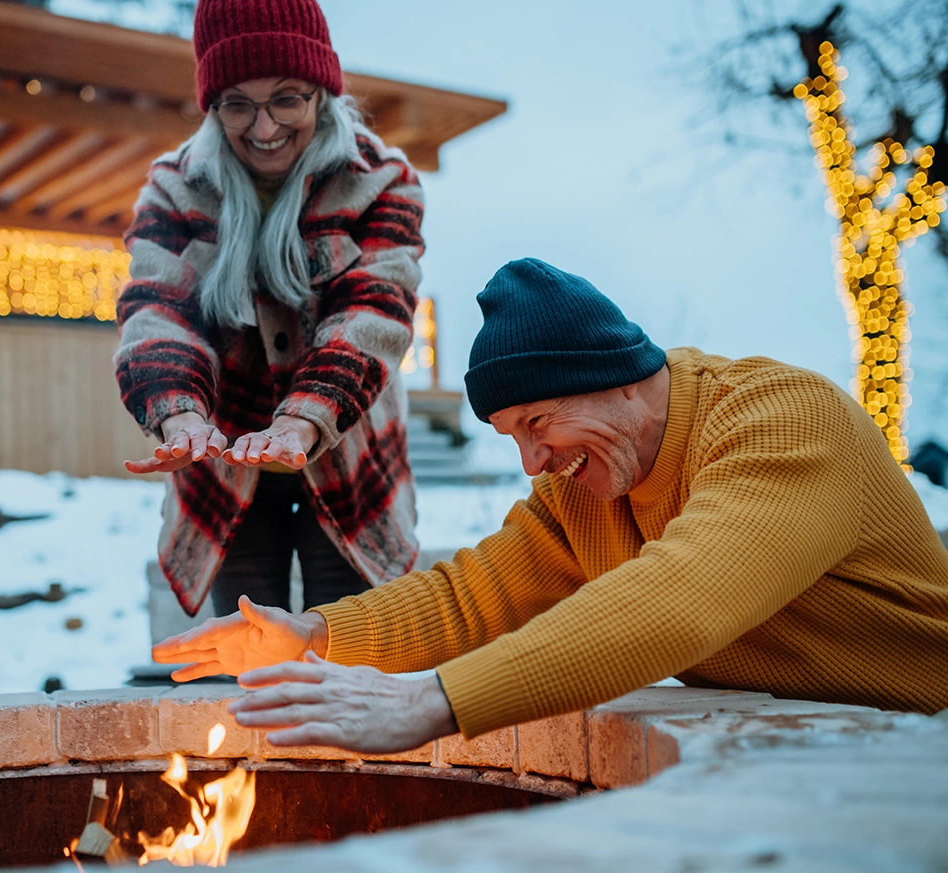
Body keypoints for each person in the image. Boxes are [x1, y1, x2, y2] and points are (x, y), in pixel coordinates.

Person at [153, 258, 948, 754]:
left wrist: (434, 702)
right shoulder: (583, 489)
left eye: (538, 423)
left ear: (623, 378)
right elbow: (471, 594)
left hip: (923, 744)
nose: (535, 460)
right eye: (511, 436)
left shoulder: (785, 420)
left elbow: (682, 594)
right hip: (807, 740)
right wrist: (316, 635)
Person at [116, 0, 423, 619]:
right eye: (238, 104)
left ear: (322, 92)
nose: (263, 127)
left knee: (344, 652)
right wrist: (178, 416)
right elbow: (158, 308)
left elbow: (373, 309)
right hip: (221, 464)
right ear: (213, 105)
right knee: (250, 659)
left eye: (287, 99)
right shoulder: (174, 188)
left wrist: (303, 420)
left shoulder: (382, 180)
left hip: (349, 455)